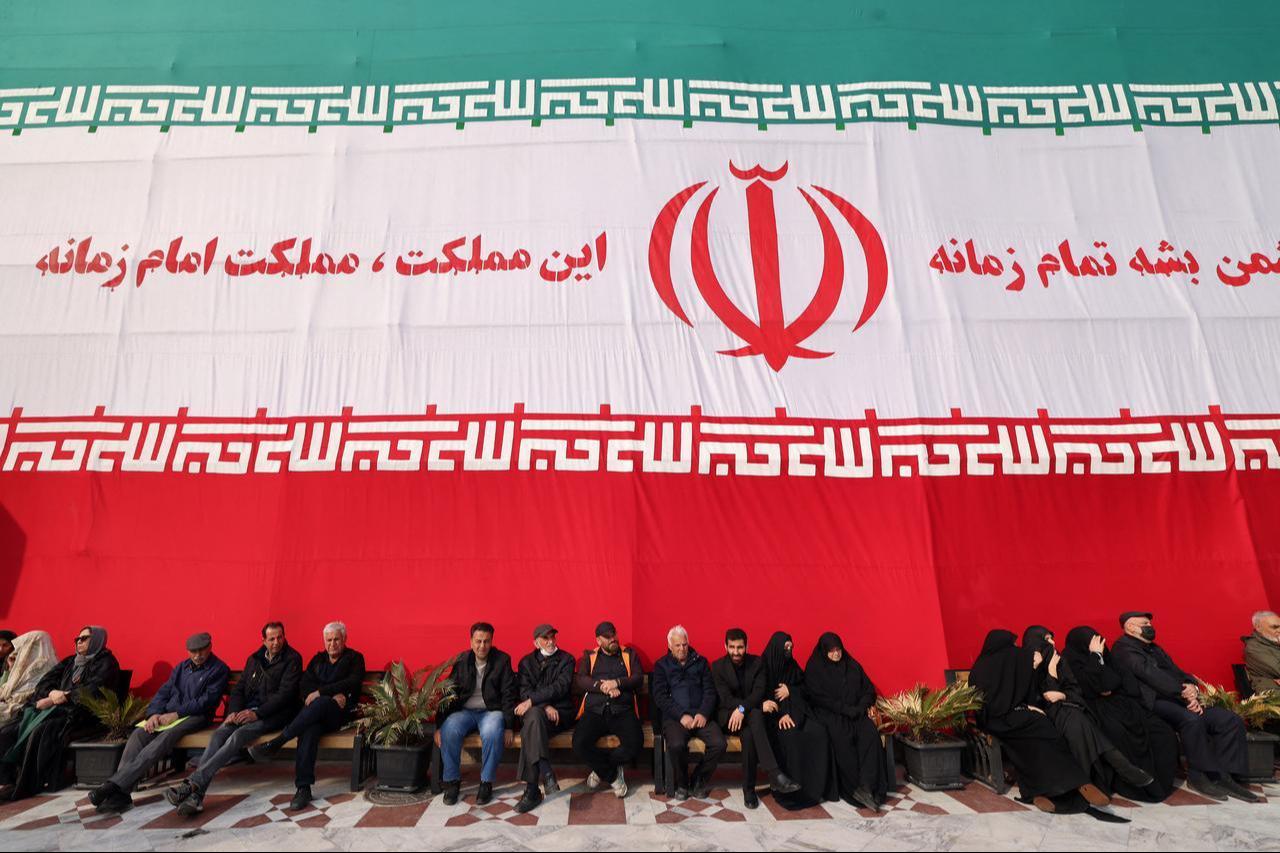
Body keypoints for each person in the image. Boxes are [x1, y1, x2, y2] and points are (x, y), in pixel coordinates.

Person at [969, 629, 1118, 819]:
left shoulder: (987, 665)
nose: (1015, 648)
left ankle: (1063, 787)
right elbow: (1017, 692)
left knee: (1039, 735)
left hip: (1007, 719)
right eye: (1012, 644)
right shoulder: (1003, 662)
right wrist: (1036, 672)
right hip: (1003, 721)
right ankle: (1057, 787)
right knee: (1038, 734)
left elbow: (1012, 694)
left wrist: (1024, 707)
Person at [1111, 611, 1255, 802]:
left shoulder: (1155, 648)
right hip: (1151, 703)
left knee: (1228, 719)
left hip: (1177, 698)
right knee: (1190, 719)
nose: (1150, 626)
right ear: (1130, 627)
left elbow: (1177, 670)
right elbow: (1149, 674)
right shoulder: (1123, 648)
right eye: (1145, 623)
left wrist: (1191, 686)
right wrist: (1183, 692)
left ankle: (1225, 776)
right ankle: (1198, 775)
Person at [165, 621, 303, 815]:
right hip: (245, 712)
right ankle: (196, 795)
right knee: (219, 734)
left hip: (274, 715)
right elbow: (239, 689)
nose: (276, 642)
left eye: (280, 637)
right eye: (271, 639)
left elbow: (286, 695)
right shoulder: (254, 659)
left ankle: (193, 786)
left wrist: (257, 713)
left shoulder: (293, 659)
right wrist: (233, 711)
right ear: (263, 640)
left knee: (237, 737)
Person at [89, 632, 229, 813]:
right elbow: (163, 692)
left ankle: (113, 785)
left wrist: (176, 714)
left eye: (201, 650)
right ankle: (121, 793)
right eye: (192, 651)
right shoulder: (181, 668)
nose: (197, 655)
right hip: (168, 716)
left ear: (210, 647)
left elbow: (206, 701)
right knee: (139, 734)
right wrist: (154, 714)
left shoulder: (218, 669)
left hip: (196, 717)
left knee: (164, 738)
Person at [1021, 626, 1159, 799]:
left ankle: (1086, 781)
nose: (1052, 643)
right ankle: (1119, 767)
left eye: (1052, 638)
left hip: (1067, 708)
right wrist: (1047, 673)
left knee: (1077, 721)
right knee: (1077, 721)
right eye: (1047, 639)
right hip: (1041, 714)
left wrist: (1062, 693)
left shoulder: (1059, 660)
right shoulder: (1023, 662)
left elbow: (1074, 690)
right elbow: (1030, 698)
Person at [249, 621, 366, 810]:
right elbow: (304, 685)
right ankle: (303, 788)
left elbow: (353, 682)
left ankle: (279, 741)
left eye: (336, 639)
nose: (332, 644)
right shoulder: (318, 660)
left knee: (319, 703)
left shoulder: (355, 658)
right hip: (316, 716)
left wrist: (321, 693)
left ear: (344, 639)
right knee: (308, 729)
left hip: (341, 715)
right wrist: (328, 694)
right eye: (328, 640)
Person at [0, 626, 120, 801]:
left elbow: (94, 690)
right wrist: (50, 694)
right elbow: (44, 682)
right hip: (55, 709)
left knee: (40, 732)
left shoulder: (106, 662)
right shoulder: (71, 662)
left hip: (80, 713)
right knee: (7, 731)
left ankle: (26, 782)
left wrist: (64, 697)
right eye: (77, 639)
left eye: (84, 638)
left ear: (97, 640)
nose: (79, 642)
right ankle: (6, 779)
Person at [1060, 626, 1179, 802]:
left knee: (1164, 734)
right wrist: (1096, 657)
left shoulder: (1109, 656)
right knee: (1120, 735)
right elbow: (1093, 688)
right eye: (1092, 644)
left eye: (1098, 642)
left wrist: (1103, 675)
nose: (1099, 646)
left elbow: (1116, 681)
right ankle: (1137, 785)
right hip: (1097, 710)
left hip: (1125, 704)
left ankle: (1160, 784)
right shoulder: (1070, 661)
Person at [710, 628, 801, 809]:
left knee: (751, 733)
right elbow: (726, 699)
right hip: (729, 718)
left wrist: (743, 708)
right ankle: (774, 774)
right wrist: (742, 708)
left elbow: (759, 692)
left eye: (740, 647)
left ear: (747, 646)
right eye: (732, 647)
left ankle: (749, 791)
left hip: (749, 718)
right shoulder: (717, 666)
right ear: (725, 646)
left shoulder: (757, 663)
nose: (736, 652)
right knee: (757, 713)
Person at [433, 622, 516, 807]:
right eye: (478, 641)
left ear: (492, 641)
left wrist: (509, 726)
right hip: (465, 712)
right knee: (450, 730)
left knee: (493, 732)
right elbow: (448, 692)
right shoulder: (462, 661)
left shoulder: (502, 660)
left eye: (486, 641)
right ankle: (452, 781)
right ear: (471, 641)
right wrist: (439, 726)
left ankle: (486, 782)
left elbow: (509, 694)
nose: (482, 646)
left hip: (491, 711)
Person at [803, 632, 888, 813]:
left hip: (856, 713)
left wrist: (860, 707)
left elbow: (868, 690)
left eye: (838, 649)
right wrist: (844, 709)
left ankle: (867, 786)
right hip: (831, 714)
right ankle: (853, 788)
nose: (836, 654)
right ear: (824, 651)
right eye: (832, 651)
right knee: (842, 738)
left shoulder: (852, 665)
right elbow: (817, 697)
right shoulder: (815, 667)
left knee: (870, 735)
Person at [760, 630, 831, 808]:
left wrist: (790, 690)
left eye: (791, 647)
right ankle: (788, 789)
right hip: (773, 718)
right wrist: (779, 715)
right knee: (790, 736)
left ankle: (813, 789)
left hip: (797, 712)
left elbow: (806, 688)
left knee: (819, 732)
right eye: (785, 648)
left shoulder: (792, 666)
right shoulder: (763, 668)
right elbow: (760, 695)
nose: (789, 651)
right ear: (776, 648)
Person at [572, 621, 643, 799]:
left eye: (614, 635)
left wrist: (617, 683)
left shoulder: (629, 654)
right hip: (595, 710)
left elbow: (638, 678)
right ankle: (612, 775)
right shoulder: (590, 656)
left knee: (635, 743)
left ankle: (600, 769)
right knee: (579, 743)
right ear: (598, 640)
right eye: (607, 637)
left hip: (622, 709)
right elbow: (581, 679)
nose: (613, 639)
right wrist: (602, 686)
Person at [652, 626, 723, 800]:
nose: (682, 649)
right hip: (676, 718)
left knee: (719, 744)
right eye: (677, 645)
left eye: (684, 644)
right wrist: (681, 715)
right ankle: (682, 783)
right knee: (676, 745)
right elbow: (660, 697)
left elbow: (710, 691)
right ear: (669, 646)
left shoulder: (701, 662)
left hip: (700, 716)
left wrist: (703, 713)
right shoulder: (662, 665)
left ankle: (698, 779)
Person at [512, 623, 575, 814]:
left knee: (531, 724)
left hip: (560, 715)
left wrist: (533, 701)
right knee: (533, 720)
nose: (550, 641)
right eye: (545, 638)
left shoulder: (567, 659)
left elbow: (560, 687)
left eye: (552, 637)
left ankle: (533, 790)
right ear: (536, 642)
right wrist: (544, 705)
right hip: (540, 714)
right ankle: (544, 773)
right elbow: (523, 690)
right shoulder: (526, 662)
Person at [0, 632, 57, 728]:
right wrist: (11, 668)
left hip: (22, 715)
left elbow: (26, 699)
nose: (24, 651)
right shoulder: (21, 667)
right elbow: (5, 690)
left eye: (29, 647)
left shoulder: (48, 671)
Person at [1242, 610, 1280, 695]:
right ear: (1258, 627)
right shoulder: (1253, 648)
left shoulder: (1274, 643)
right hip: (1273, 694)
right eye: (1274, 627)